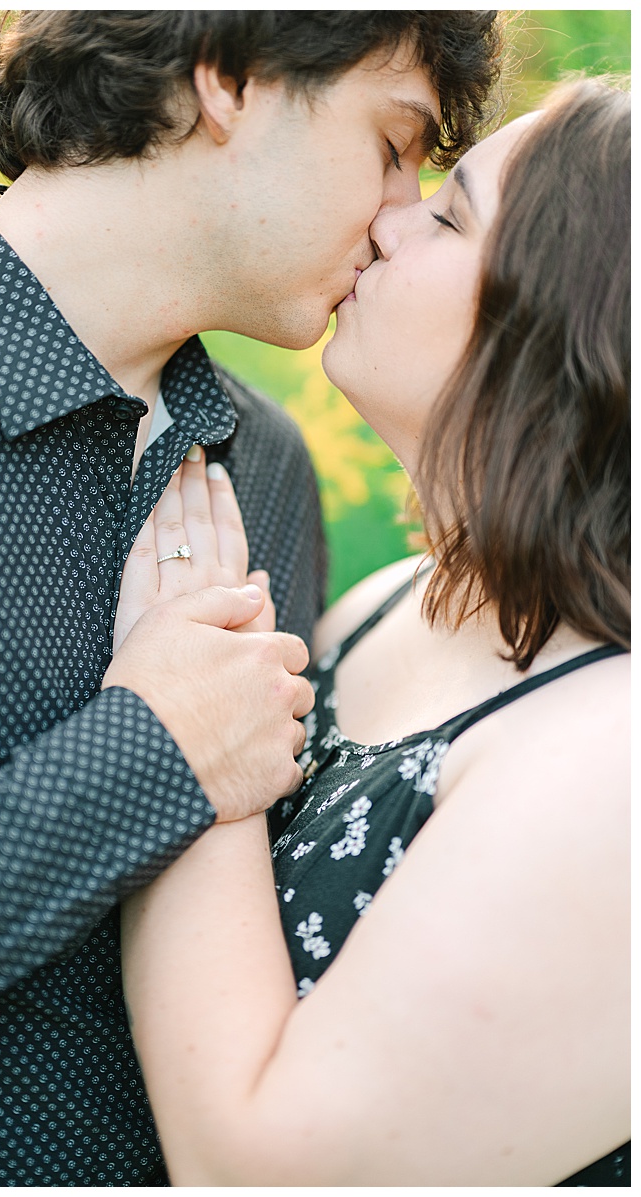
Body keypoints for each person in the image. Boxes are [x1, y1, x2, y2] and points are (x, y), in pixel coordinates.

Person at [0, 10, 503, 1185]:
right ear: (230, 80)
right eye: (392, 142)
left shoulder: (269, 469)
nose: (403, 210)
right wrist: (146, 760)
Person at [118, 79, 629, 1185]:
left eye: (449, 213)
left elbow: (258, 1173)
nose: (386, 219)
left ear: (565, 325)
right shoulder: (382, 603)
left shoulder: (615, 761)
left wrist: (184, 738)